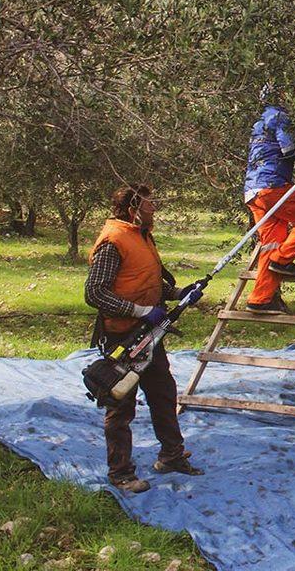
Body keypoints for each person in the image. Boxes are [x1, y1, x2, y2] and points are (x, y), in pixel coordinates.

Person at [85, 183, 204, 493]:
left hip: (150, 333)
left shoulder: (142, 237)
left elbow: (150, 281)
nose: (155, 210)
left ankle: (171, 455)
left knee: (163, 392)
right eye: (150, 205)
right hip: (123, 337)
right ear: (132, 209)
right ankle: (121, 473)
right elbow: (94, 292)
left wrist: (181, 293)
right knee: (120, 405)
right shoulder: (113, 241)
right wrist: (139, 310)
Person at [243, 85, 295, 314]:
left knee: (272, 240)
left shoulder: (259, 122)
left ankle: (259, 300)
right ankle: (282, 259)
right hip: (271, 187)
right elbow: (287, 148)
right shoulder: (278, 116)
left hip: (253, 191)